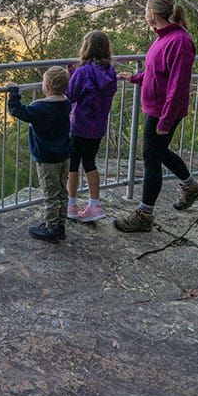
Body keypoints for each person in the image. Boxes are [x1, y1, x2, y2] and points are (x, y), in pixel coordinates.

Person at [114, 0, 198, 233]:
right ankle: (191, 187)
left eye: (146, 11)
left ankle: (145, 214)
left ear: (153, 14)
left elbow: (178, 84)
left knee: (152, 159)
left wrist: (166, 119)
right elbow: (156, 73)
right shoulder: (162, 39)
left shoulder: (180, 42)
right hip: (157, 108)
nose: (145, 15)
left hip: (164, 111)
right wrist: (135, 77)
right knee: (158, 152)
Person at [7, 66, 72, 243]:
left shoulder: (40, 107)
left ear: (47, 87)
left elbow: (17, 111)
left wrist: (14, 93)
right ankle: (60, 225)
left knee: (50, 194)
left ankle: (51, 229)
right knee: (61, 192)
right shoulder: (65, 103)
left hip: (46, 158)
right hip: (64, 156)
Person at [65, 31, 118, 223]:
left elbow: (71, 95)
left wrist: (71, 75)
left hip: (79, 125)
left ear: (86, 48)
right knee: (89, 162)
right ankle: (94, 205)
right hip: (98, 127)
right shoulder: (111, 72)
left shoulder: (83, 72)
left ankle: (71, 204)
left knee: (72, 163)